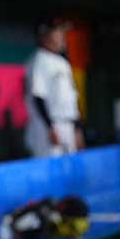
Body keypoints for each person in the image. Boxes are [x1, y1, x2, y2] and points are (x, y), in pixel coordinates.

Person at [24, 17, 85, 157]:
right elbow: (38, 97)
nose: (63, 37)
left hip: (67, 124)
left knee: (68, 171)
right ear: (45, 36)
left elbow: (72, 100)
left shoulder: (63, 62)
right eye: (58, 33)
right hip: (49, 125)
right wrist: (50, 128)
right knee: (47, 170)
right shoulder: (39, 59)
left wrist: (77, 129)